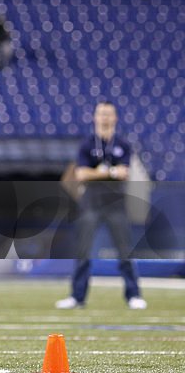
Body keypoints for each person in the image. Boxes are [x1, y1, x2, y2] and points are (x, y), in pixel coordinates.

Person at [56, 101, 146, 310]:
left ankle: (133, 295)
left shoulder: (122, 144)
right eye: (101, 114)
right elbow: (81, 174)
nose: (105, 118)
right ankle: (77, 296)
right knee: (83, 251)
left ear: (115, 118)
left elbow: (124, 173)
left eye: (108, 114)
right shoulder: (87, 144)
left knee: (125, 251)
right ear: (95, 117)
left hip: (115, 203)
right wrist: (110, 172)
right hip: (91, 203)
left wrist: (98, 173)